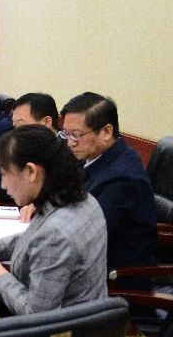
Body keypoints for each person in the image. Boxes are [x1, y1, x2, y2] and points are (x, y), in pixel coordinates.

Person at [0, 125, 108, 314]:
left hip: (67, 330)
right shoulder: (83, 199)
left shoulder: (55, 232)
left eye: (5, 174)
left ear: (31, 171)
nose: (3, 185)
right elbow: (34, 237)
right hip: (92, 317)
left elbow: (36, 314)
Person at [59, 92, 158, 281]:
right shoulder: (94, 157)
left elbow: (83, 236)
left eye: (77, 135)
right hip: (88, 266)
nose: (70, 143)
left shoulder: (122, 178)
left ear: (106, 132)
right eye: (66, 134)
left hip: (113, 280)